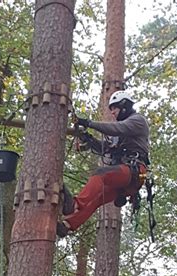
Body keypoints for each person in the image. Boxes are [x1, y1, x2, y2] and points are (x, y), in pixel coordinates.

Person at [57, 90, 150, 237]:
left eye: (114, 108)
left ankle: (74, 204)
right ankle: (68, 225)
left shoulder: (137, 121)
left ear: (124, 105)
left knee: (100, 174)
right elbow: (106, 149)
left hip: (134, 171)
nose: (112, 112)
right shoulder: (119, 135)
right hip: (126, 181)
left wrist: (89, 123)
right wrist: (89, 139)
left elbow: (117, 129)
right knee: (97, 199)